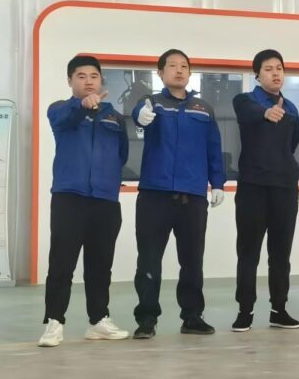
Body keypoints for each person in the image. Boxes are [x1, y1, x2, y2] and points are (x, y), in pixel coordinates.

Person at [131, 49, 226, 339]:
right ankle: (147, 319)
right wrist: (140, 116)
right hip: (155, 195)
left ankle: (193, 316)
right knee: (149, 260)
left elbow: (213, 148)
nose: (179, 70)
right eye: (172, 65)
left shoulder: (203, 109)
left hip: (192, 197)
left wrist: (217, 183)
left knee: (192, 261)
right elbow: (138, 116)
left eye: (184, 66)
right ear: (161, 73)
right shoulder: (151, 103)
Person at [39, 55, 130, 347]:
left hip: (105, 200)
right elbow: (65, 118)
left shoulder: (115, 117)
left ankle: (98, 320)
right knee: (62, 264)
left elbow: (122, 155)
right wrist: (81, 106)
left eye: (94, 76)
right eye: (81, 76)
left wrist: (108, 182)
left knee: (100, 265)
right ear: (70, 81)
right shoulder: (60, 110)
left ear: (101, 80)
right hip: (70, 198)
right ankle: (54, 322)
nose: (88, 81)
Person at [231, 49, 299, 331]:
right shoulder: (245, 100)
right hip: (253, 187)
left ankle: (279, 309)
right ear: (257, 75)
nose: (275, 73)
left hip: (284, 188)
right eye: (269, 69)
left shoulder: (292, 108)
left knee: (281, 253)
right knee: (248, 252)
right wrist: (266, 112)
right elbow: (247, 112)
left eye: (279, 68)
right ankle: (245, 311)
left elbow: (292, 144)